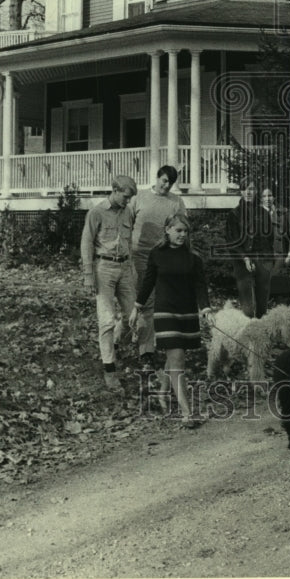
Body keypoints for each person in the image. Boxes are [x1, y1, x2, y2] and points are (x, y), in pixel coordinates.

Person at [129, 213, 212, 428]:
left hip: (187, 313)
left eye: (185, 231)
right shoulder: (157, 254)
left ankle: (163, 390)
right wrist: (137, 307)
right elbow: (148, 282)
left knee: (175, 357)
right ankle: (187, 413)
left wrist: (205, 308)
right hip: (165, 312)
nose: (182, 235)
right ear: (167, 230)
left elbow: (200, 285)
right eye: (178, 230)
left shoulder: (193, 258)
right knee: (177, 359)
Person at [80, 174, 138, 391]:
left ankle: (115, 342)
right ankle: (110, 370)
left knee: (133, 316)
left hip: (125, 268)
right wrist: (88, 274)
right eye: (125, 196)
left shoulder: (128, 212)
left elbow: (128, 242)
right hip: (103, 268)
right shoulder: (96, 212)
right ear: (114, 190)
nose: (128, 201)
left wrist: (132, 268)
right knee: (106, 320)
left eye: (130, 198)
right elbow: (86, 242)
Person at [125, 165, 187, 369]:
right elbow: (126, 224)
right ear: (157, 177)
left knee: (157, 303)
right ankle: (146, 352)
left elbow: (183, 229)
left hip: (163, 258)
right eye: (164, 180)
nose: (166, 185)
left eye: (170, 183)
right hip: (139, 257)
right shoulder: (139, 198)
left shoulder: (176, 202)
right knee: (145, 302)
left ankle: (125, 335)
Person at [225, 178, 269, 319]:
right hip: (241, 260)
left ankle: (261, 330)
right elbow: (232, 240)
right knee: (248, 307)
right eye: (245, 189)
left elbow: (269, 238)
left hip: (261, 259)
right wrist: (245, 258)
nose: (248, 192)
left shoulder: (263, 213)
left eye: (252, 189)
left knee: (262, 304)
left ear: (256, 191)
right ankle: (248, 328)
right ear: (241, 192)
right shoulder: (234, 214)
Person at [259, 186, 290, 306]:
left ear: (274, 197)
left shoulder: (284, 212)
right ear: (260, 198)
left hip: (279, 255)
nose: (267, 199)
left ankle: (279, 313)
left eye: (270, 195)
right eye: (264, 196)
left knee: (278, 287)